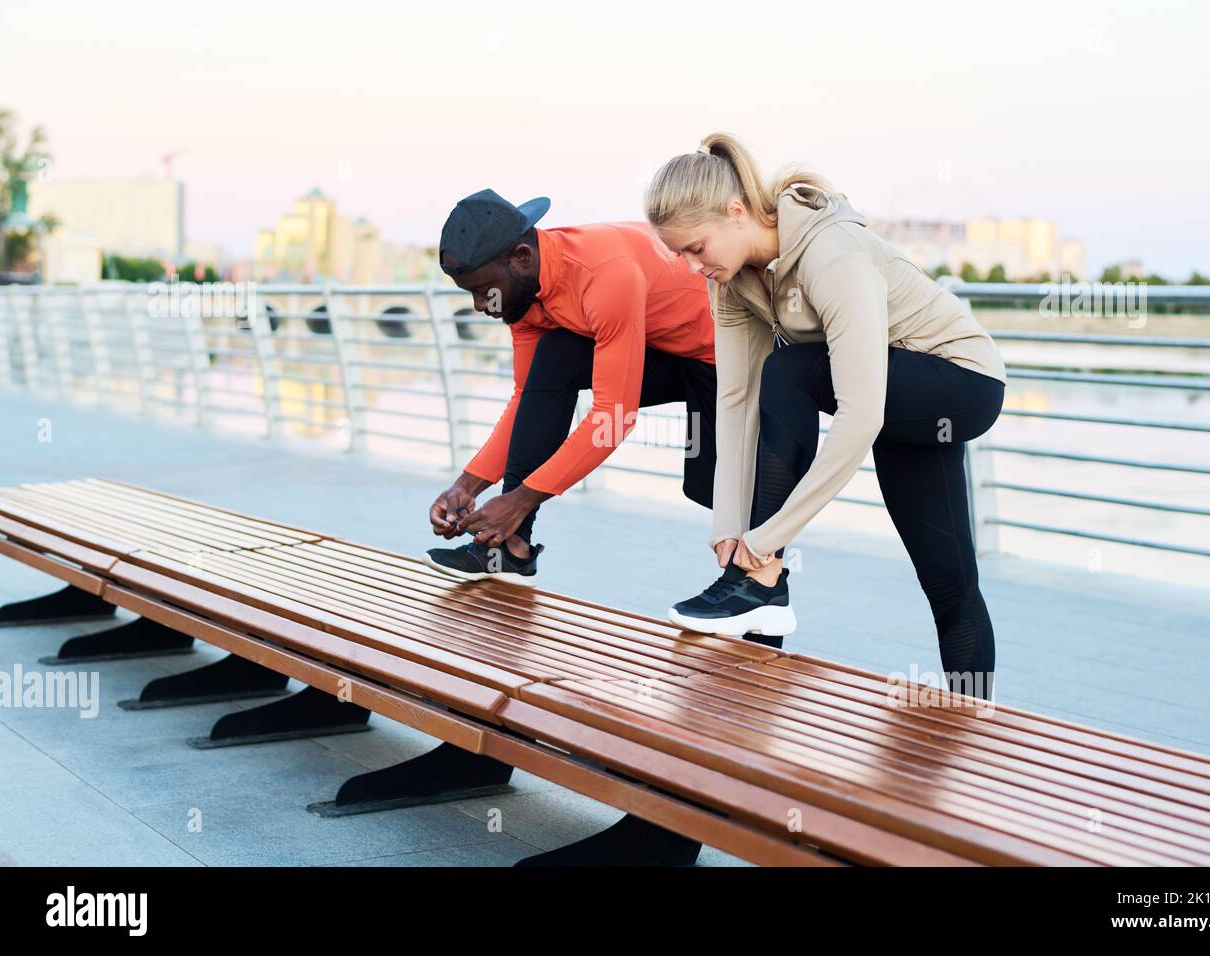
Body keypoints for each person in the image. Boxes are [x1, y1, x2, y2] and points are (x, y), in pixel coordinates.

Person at [423, 187, 761, 866]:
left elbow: (614, 415)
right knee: (548, 364)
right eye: (467, 294)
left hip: (724, 353)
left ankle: (760, 607)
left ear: (521, 257)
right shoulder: (521, 295)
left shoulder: (606, 273)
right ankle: (510, 550)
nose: (479, 306)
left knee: (724, 500)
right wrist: (471, 484)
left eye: (482, 291)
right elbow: (527, 400)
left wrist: (518, 496)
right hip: (667, 345)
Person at [645, 133, 1007, 704]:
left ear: (736, 213)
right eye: (680, 255)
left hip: (959, 381)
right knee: (949, 581)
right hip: (894, 398)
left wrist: (766, 542)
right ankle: (756, 718)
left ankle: (765, 582)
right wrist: (728, 527)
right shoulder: (734, 281)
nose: (692, 267)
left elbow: (860, 415)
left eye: (696, 248)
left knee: (789, 371)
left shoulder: (830, 251)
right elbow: (735, 400)